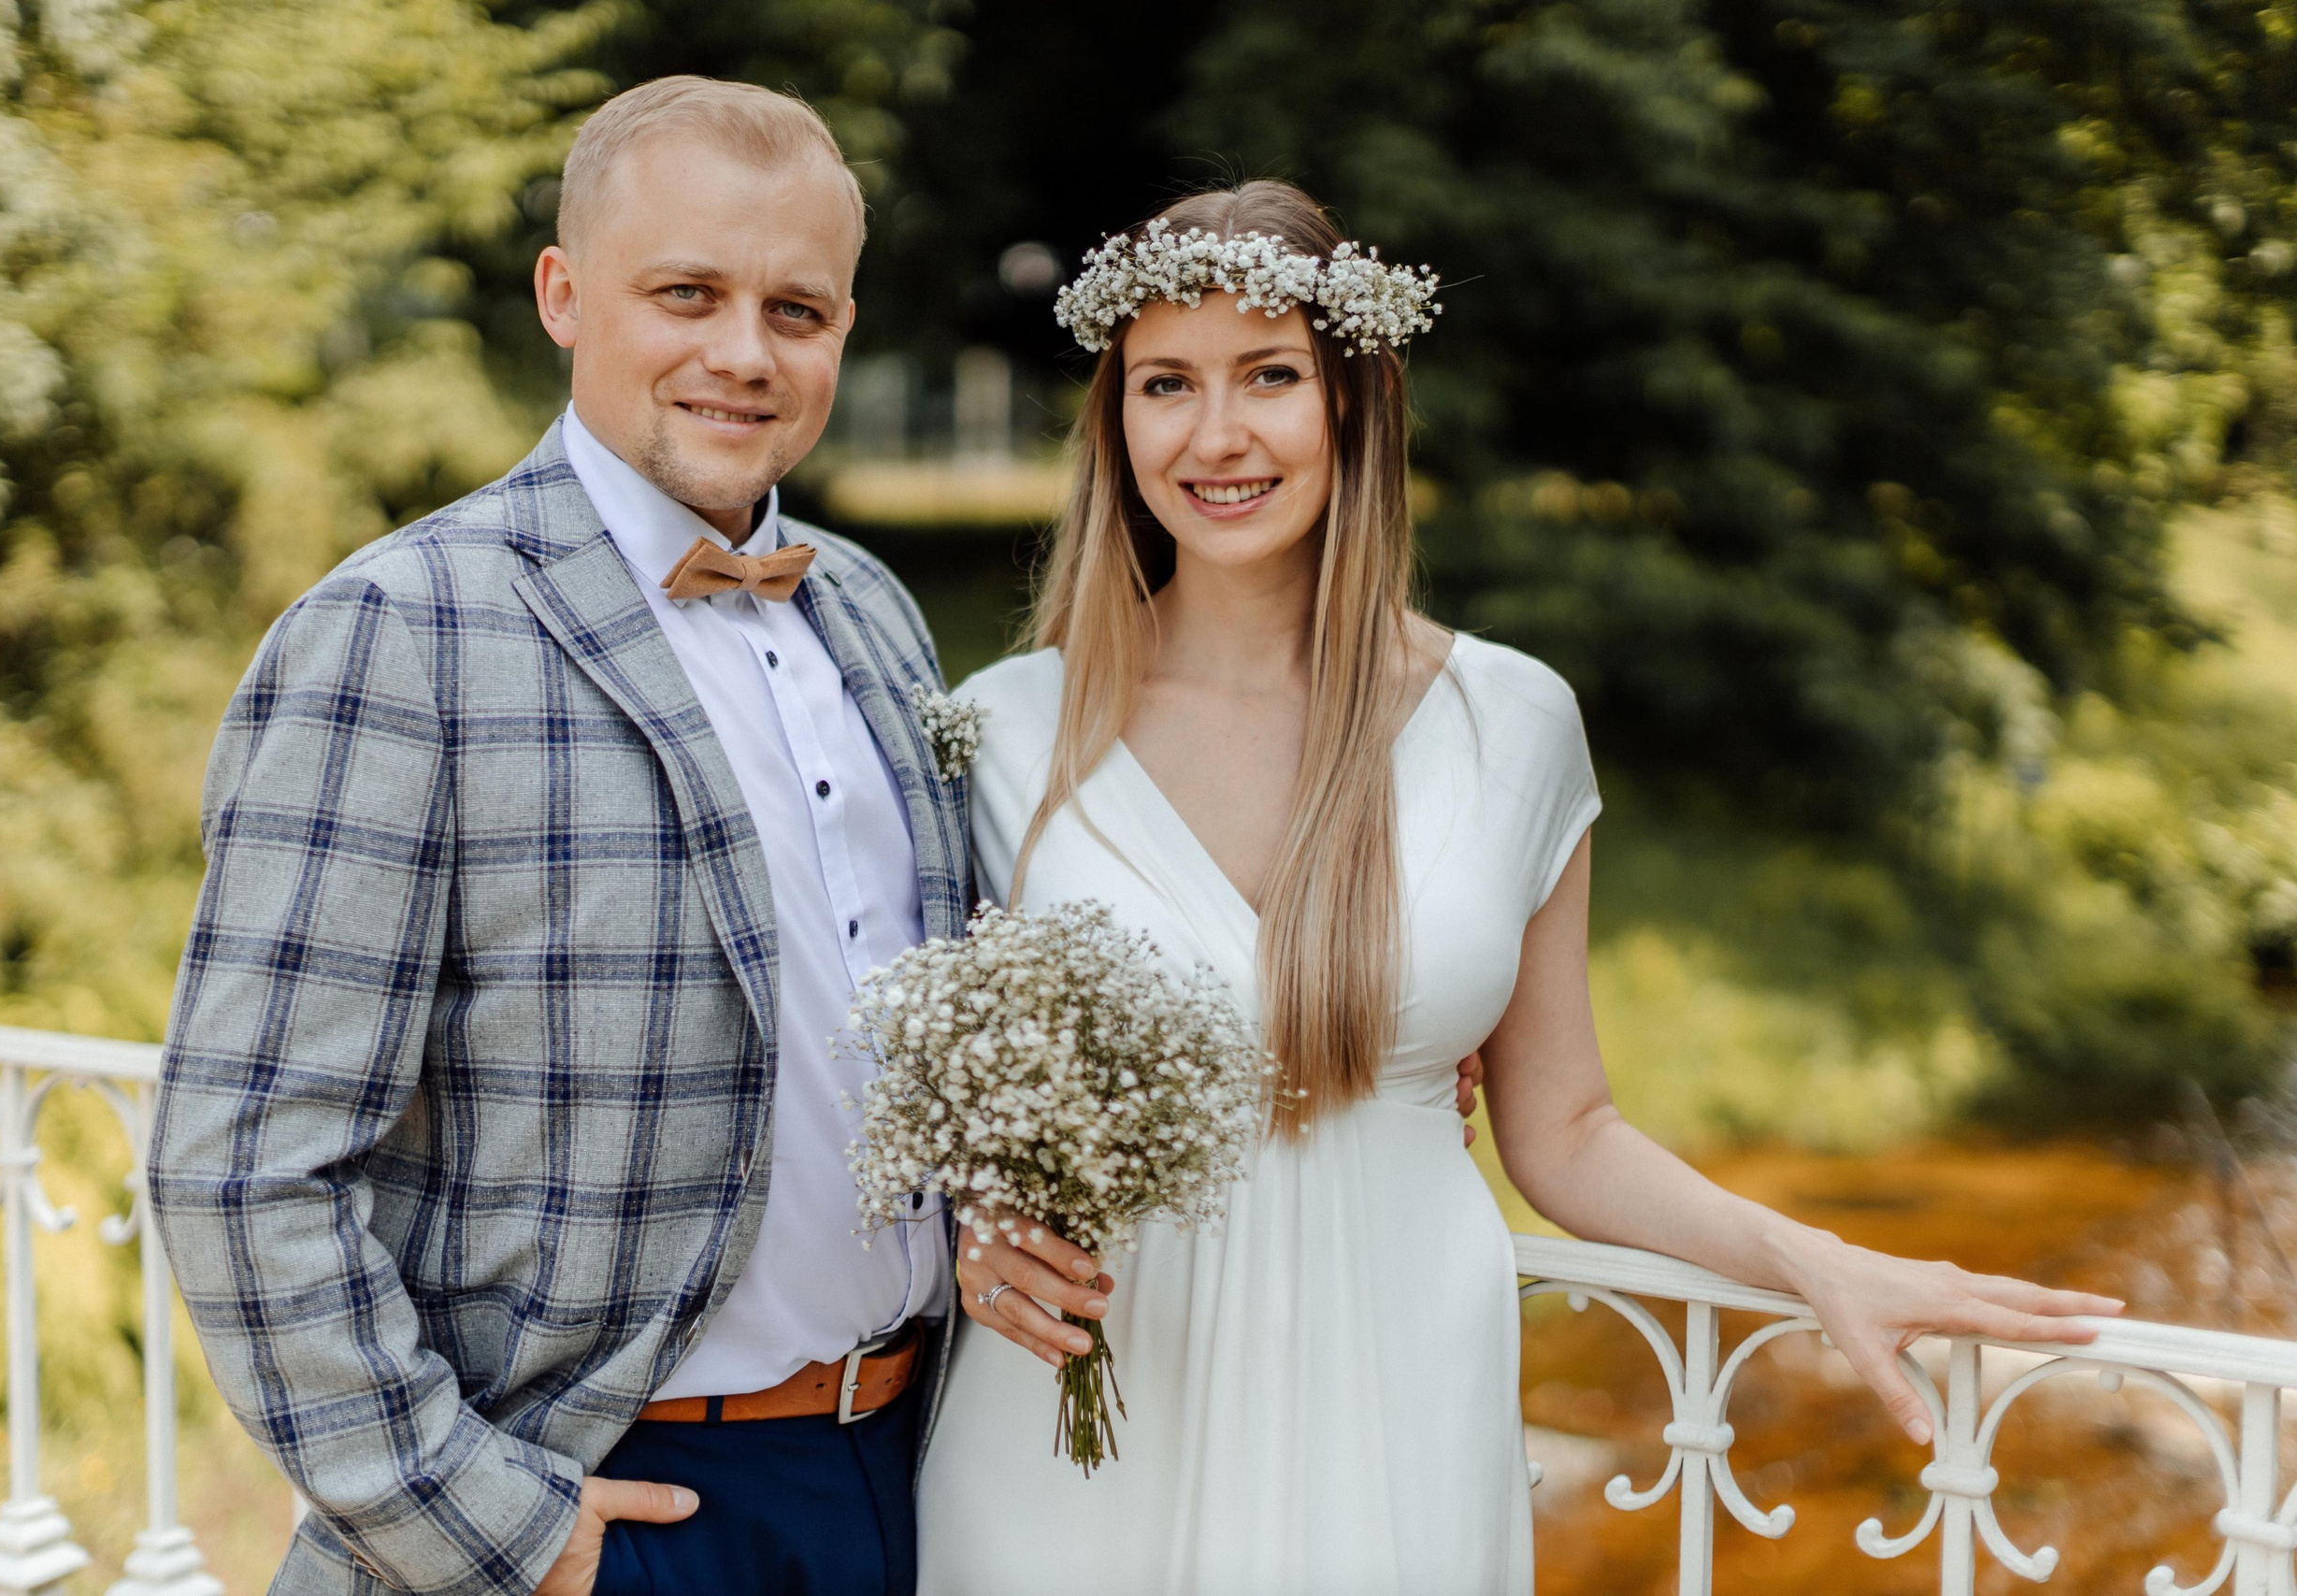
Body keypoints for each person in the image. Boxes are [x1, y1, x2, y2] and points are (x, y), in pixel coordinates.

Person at [914, 180, 2127, 1595]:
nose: (1216, 435)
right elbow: (896, 1097)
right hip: (1086, 1432)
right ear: (1114, 424)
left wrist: (1820, 1261)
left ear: (1356, 404)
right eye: (1165, 384)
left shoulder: (1512, 723)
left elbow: (1565, 1130)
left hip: (1394, 1411)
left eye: (1271, 378)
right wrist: (968, 1220)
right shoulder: (1000, 733)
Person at [149, 77, 973, 1596]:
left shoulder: (872, 610)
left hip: (908, 1470)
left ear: (845, 329)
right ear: (564, 294)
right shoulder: (399, 634)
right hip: (596, 1504)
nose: (743, 351)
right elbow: (244, 1165)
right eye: (687, 294)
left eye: (797, 309)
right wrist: (490, 1531)